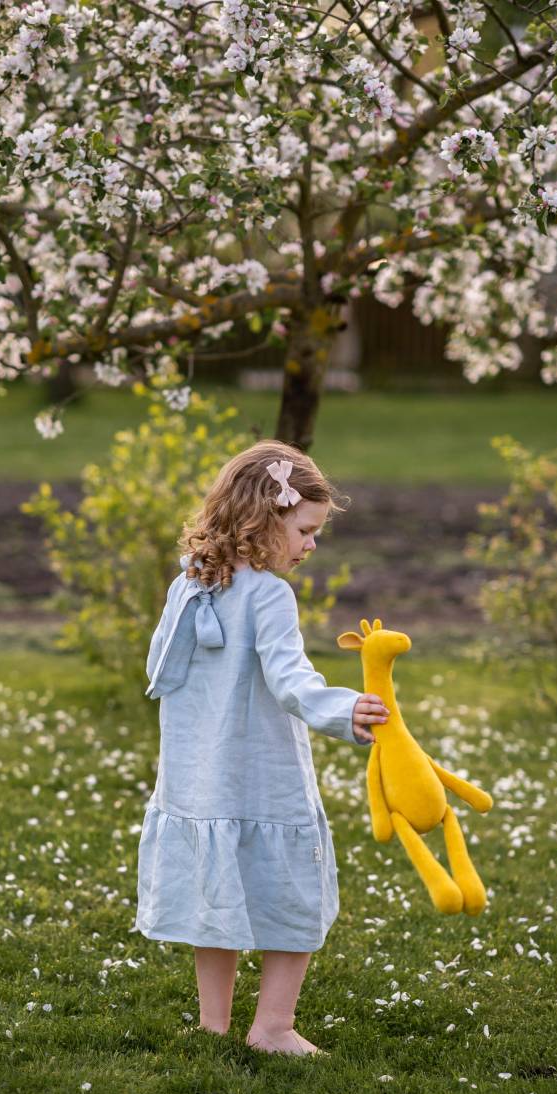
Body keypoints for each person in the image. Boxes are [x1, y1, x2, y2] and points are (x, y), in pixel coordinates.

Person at [135, 441, 389, 1056]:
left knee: (212, 894)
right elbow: (291, 680)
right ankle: (272, 1027)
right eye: (305, 529)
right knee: (292, 891)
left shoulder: (191, 583)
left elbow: (156, 669)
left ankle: (215, 1024)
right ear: (263, 518)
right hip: (262, 774)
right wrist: (343, 708)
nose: (311, 544)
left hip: (199, 775)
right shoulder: (269, 594)